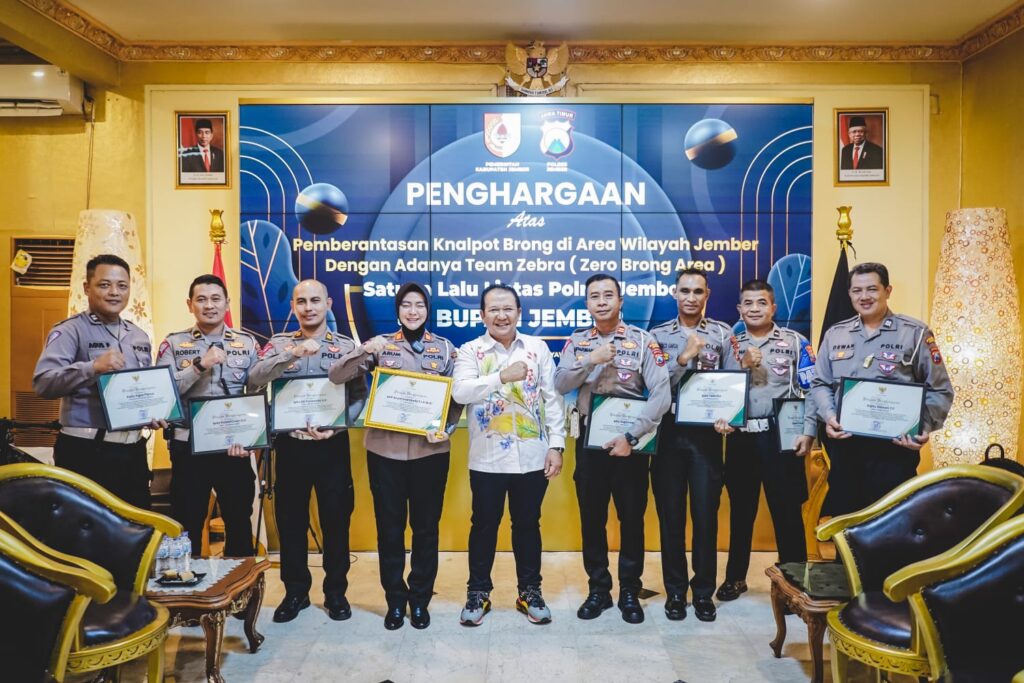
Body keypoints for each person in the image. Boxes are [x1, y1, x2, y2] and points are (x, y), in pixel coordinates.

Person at [329, 282, 458, 630]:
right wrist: (364, 350)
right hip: (385, 451)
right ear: (397, 310)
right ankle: (395, 601)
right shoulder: (381, 346)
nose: (413, 311)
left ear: (428, 310)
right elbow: (337, 375)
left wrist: (447, 427)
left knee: (426, 529)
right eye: (406, 305)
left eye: (419, 305)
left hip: (430, 452)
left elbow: (455, 398)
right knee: (390, 530)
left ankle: (420, 600)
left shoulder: (446, 349)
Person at [247, 279, 365, 623]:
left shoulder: (345, 347)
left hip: (332, 447)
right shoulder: (278, 344)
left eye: (315, 300)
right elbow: (254, 379)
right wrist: (292, 354)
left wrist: (339, 426)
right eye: (301, 301)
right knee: (291, 522)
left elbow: (359, 395)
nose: (309, 307)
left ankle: (336, 592)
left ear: (329, 303)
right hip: (291, 446)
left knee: (336, 521)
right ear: (293, 307)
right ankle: (295, 592)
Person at [555, 273, 670, 624]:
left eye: (608, 295)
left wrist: (632, 437)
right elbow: (560, 383)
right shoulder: (577, 342)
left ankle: (630, 591)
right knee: (592, 519)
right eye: (595, 296)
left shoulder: (643, 340)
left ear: (621, 301)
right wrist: (591, 359)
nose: (602, 301)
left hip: (630, 444)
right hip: (589, 442)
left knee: (631, 518)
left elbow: (662, 393)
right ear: (587, 304)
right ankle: (599, 590)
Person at [452, 283, 565, 627]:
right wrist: (500, 376)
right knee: (483, 526)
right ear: (482, 315)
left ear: (519, 312)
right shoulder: (471, 351)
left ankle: (530, 591)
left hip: (532, 456)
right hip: (487, 458)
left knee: (528, 525)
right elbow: (460, 392)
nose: (501, 316)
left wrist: (556, 445)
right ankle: (478, 592)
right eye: (494, 309)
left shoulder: (536, 348)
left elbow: (552, 399)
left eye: (508, 309)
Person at [810, 262, 954, 516]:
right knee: (847, 521)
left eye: (872, 289)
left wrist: (922, 426)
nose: (864, 296)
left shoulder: (915, 333)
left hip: (895, 449)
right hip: (846, 447)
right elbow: (820, 383)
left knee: (893, 521)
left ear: (887, 291)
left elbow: (940, 389)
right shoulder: (835, 335)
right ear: (849, 294)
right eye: (857, 290)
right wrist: (829, 416)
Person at [712, 279, 818, 602]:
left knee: (787, 512)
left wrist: (809, 431)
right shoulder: (729, 344)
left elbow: (813, 389)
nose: (754, 308)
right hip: (742, 438)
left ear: (773, 307)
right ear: (739, 309)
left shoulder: (796, 342)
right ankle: (735, 578)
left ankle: (793, 582)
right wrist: (741, 366)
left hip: (781, 436)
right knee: (741, 511)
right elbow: (716, 387)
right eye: (748, 303)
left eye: (761, 303)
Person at [33, 254, 159, 509]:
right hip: (86, 450)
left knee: (135, 524)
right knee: (83, 526)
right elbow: (44, 383)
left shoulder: (138, 335)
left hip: (132, 450)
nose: (114, 292)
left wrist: (151, 414)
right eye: (104, 285)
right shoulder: (70, 330)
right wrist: (93, 367)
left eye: (122, 285)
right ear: (87, 288)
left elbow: (139, 390)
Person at [648, 267, 732, 622]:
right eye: (685, 291)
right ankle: (675, 592)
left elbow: (733, 383)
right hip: (667, 434)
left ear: (707, 295)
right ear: (675, 294)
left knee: (705, 517)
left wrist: (730, 416)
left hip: (707, 437)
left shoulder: (724, 334)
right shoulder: (655, 336)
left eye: (698, 291)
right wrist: (683, 358)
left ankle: (702, 593)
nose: (691, 297)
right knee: (670, 518)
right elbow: (653, 387)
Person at [156, 274, 260, 557]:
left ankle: (239, 584)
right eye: (201, 299)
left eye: (216, 299)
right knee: (187, 521)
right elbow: (164, 393)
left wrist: (252, 438)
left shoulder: (247, 343)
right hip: (188, 446)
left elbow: (259, 392)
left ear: (227, 303)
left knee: (239, 521)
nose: (209, 305)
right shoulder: (173, 344)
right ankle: (188, 583)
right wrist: (199, 365)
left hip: (233, 449)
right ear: (190, 305)